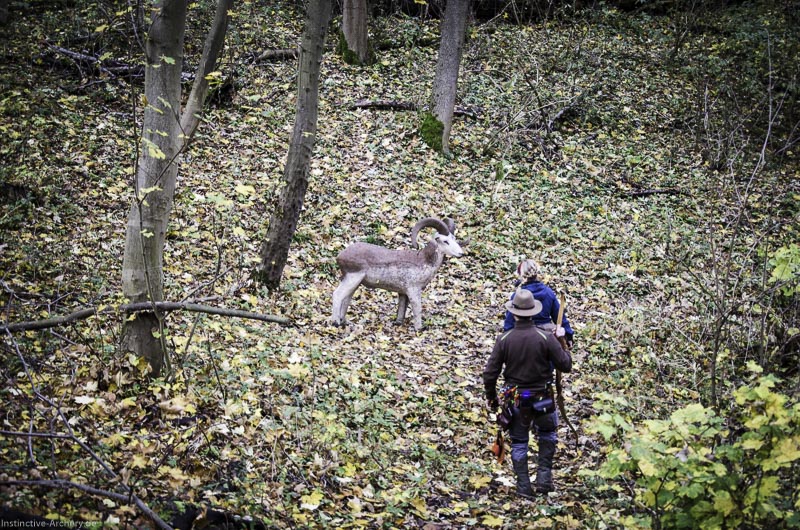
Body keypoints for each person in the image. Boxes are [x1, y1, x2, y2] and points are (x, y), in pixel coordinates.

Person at [484, 288, 572, 497]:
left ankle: (524, 487)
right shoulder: (546, 338)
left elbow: (490, 374)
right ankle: (543, 478)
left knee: (520, 442)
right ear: (533, 312)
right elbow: (566, 365)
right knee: (548, 434)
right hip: (543, 397)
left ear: (514, 313)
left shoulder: (504, 340)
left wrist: (492, 398)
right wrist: (562, 342)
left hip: (515, 400)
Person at [503, 259, 574, 349]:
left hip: (524, 340)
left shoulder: (518, 296)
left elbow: (509, 324)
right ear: (537, 272)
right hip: (547, 338)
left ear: (521, 275)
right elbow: (559, 317)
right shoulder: (548, 292)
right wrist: (568, 336)